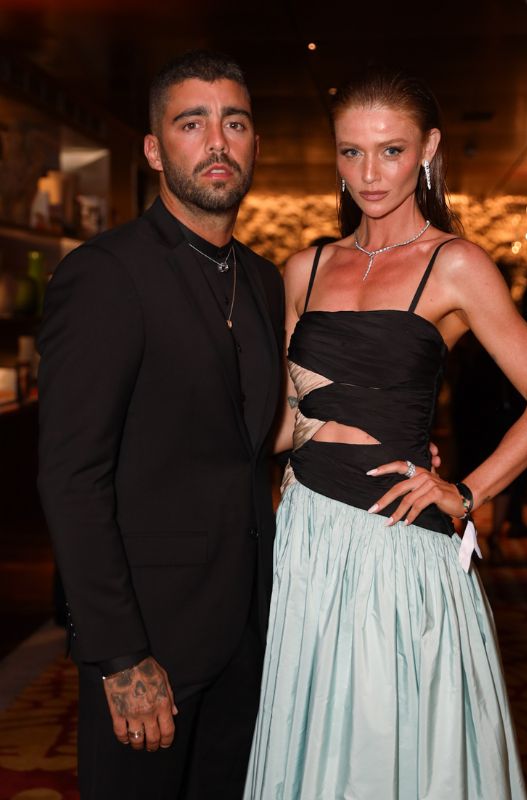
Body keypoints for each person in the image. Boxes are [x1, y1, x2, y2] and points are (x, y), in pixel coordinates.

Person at [243, 69, 527, 799]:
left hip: (396, 534)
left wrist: (466, 493)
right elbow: (285, 422)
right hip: (305, 531)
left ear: (427, 149)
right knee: (314, 728)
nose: (370, 173)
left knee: (391, 736)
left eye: (390, 151)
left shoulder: (456, 264)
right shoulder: (304, 268)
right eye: (351, 152)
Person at [37, 51, 283, 798]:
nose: (217, 141)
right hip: (151, 639)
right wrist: (118, 655)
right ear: (153, 149)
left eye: (234, 122)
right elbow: (72, 478)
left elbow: (253, 440)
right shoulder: (107, 274)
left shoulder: (263, 279)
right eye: (191, 123)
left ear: (254, 143)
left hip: (250, 629)